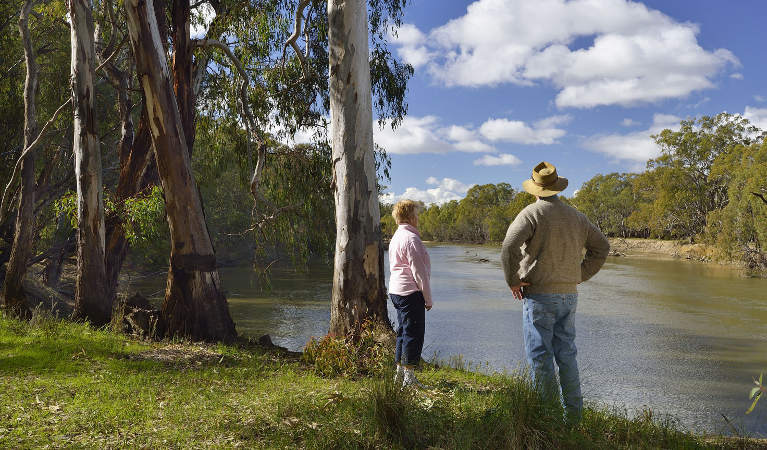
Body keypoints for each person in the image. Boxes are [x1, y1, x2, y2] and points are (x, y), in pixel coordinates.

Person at [501, 161, 609, 424]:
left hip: (539, 296)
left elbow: (508, 249)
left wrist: (513, 281)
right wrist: (578, 276)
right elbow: (602, 248)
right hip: (569, 296)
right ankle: (573, 420)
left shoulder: (531, 213)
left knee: (540, 357)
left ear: (535, 188)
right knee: (567, 355)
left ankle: (548, 420)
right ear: (557, 187)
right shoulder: (577, 217)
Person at [388, 199, 432, 388]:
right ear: (411, 216)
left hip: (396, 291)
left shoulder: (397, 236)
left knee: (403, 332)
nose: (418, 217)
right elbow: (419, 272)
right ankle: (409, 378)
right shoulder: (411, 239)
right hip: (409, 292)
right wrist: (428, 298)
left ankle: (399, 373)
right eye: (416, 213)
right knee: (414, 333)